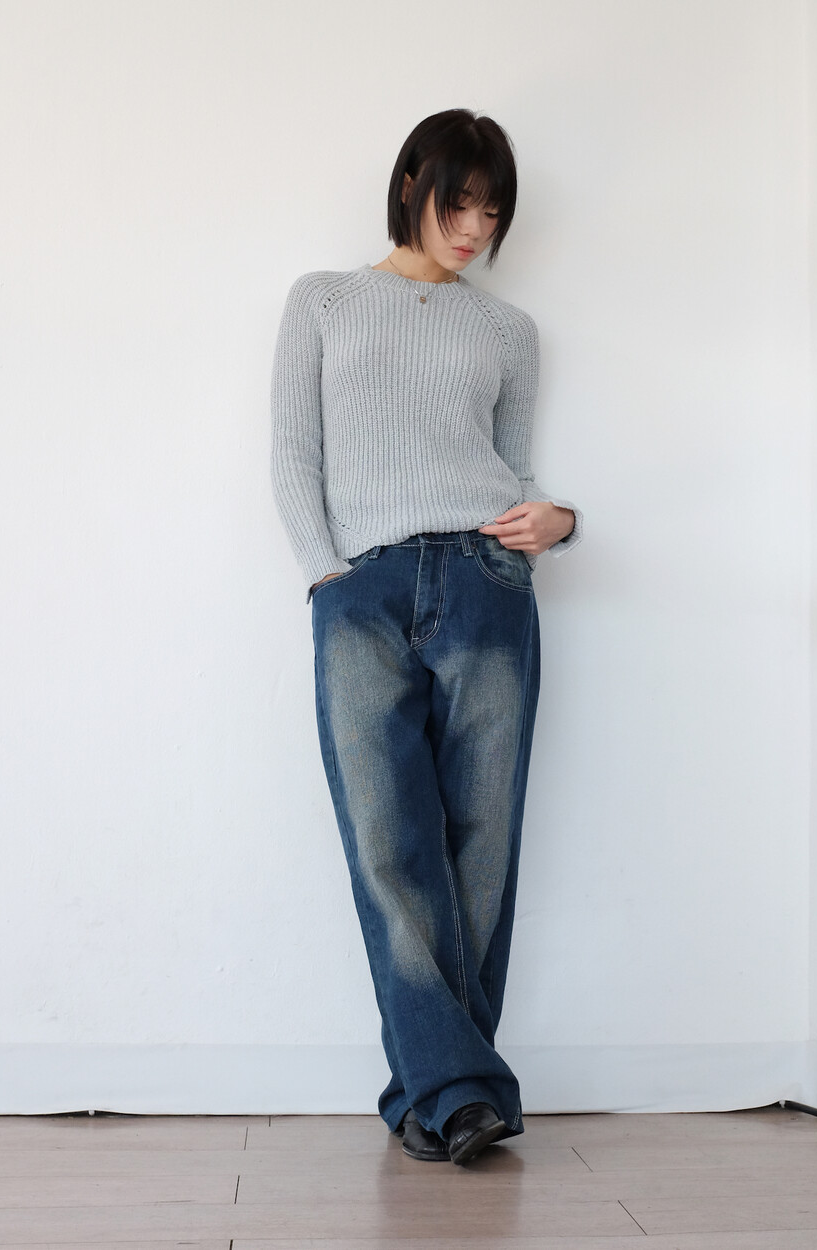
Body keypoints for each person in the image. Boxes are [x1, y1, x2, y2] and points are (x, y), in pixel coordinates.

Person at [269, 108, 583, 1166]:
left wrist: (559, 522)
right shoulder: (323, 301)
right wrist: (326, 575)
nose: (475, 228)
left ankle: (444, 1098)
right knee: (387, 842)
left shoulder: (508, 331)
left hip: (489, 580)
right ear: (412, 182)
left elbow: (516, 469)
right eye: (461, 202)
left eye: (492, 212)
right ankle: (461, 1091)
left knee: (482, 843)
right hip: (362, 587)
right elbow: (293, 454)